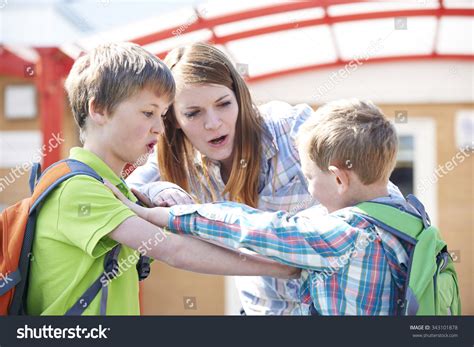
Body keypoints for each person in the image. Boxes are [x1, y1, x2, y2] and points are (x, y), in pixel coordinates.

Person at [127, 43, 403, 315]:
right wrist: (156, 189)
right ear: (174, 119)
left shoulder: (290, 129)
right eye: (193, 113)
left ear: (239, 98)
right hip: (266, 311)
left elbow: (377, 191)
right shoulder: (177, 162)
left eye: (223, 104)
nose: (213, 122)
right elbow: (124, 192)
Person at [25, 42, 299, 316]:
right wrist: (285, 265)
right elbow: (175, 250)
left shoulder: (117, 189)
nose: (159, 128)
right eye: (148, 113)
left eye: (162, 115)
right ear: (99, 110)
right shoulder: (80, 188)